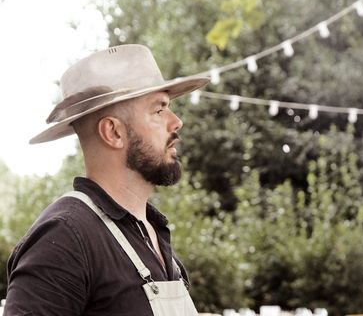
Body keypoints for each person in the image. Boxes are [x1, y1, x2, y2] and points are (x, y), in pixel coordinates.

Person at [4, 44, 210, 316]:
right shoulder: (65, 237)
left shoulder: (150, 231)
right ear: (113, 132)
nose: (177, 122)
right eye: (159, 110)